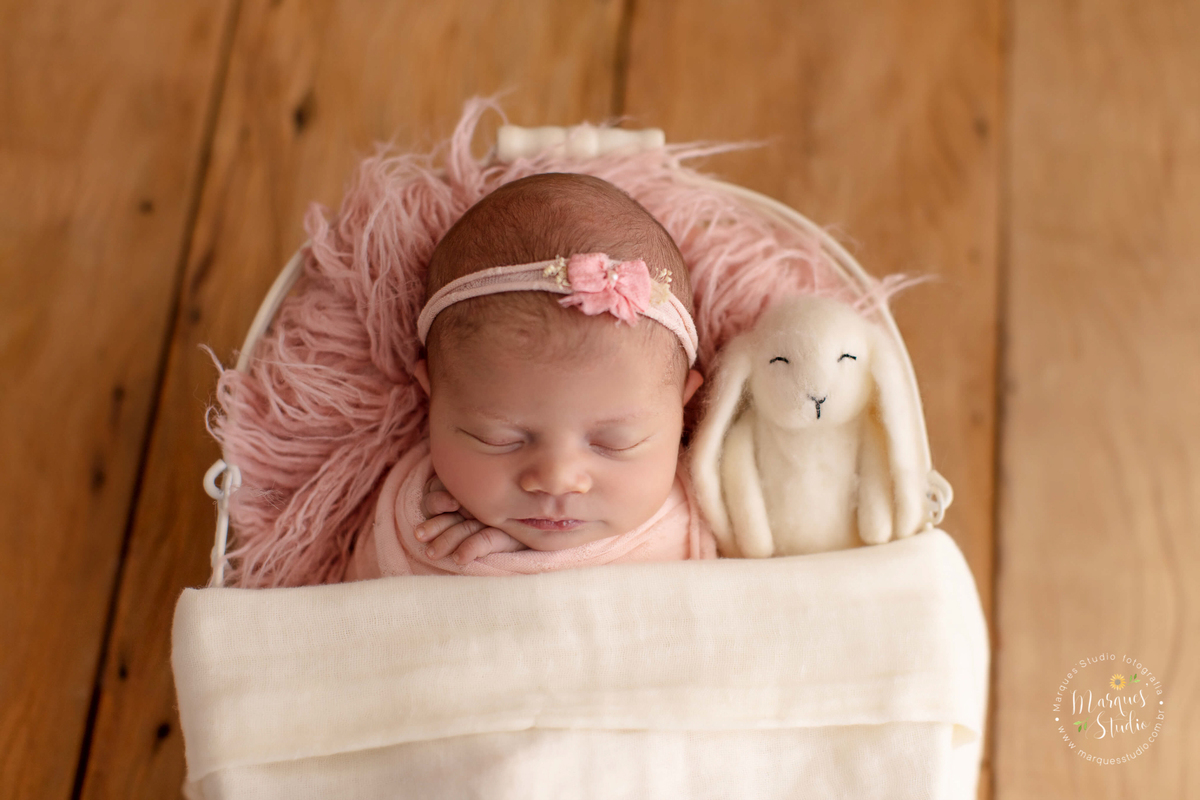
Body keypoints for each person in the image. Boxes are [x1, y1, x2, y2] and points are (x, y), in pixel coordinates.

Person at [346, 172, 718, 579]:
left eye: (615, 443)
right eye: (498, 440)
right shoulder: (426, 518)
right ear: (432, 397)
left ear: (682, 408)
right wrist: (439, 539)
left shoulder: (715, 499)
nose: (556, 480)